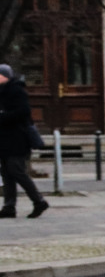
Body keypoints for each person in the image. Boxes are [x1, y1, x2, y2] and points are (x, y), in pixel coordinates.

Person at [0, 64, 49, 218]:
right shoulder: (2, 92)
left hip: (17, 139)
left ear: (6, 76)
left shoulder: (16, 90)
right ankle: (9, 207)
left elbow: (23, 112)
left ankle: (39, 201)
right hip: (4, 139)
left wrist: (3, 116)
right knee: (6, 173)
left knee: (17, 171)